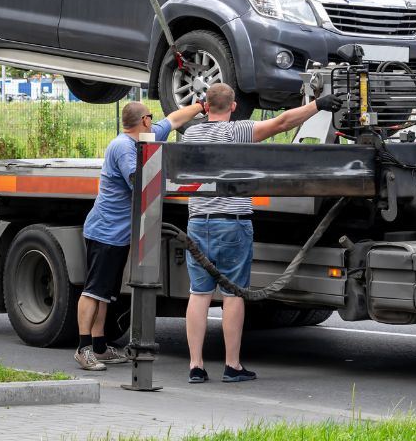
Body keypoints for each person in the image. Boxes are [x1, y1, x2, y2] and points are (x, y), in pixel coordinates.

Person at [182, 82, 340, 384]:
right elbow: (281, 122)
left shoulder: (192, 133)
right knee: (233, 294)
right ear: (232, 107)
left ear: (205, 106)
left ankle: (196, 366)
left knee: (199, 293)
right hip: (232, 222)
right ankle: (232, 365)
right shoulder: (237, 131)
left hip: (198, 221)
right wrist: (318, 105)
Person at [74, 99, 205, 372]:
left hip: (118, 234)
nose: (154, 121)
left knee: (106, 294)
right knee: (94, 291)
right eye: (151, 117)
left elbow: (175, 119)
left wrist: (200, 106)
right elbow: (140, 181)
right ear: (144, 120)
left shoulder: (143, 137)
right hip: (105, 232)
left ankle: (100, 347)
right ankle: (83, 348)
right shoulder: (124, 148)